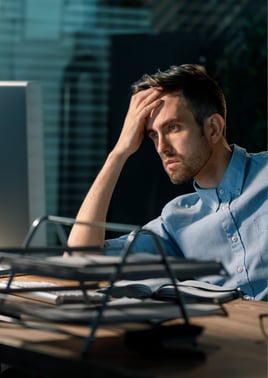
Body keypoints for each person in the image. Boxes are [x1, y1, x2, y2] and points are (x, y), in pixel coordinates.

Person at [68, 64, 268, 301]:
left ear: (213, 128)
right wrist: (119, 153)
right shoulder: (175, 222)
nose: (162, 147)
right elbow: (80, 264)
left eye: (173, 127)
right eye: (153, 135)